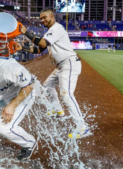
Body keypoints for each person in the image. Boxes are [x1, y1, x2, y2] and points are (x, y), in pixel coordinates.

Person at [20, 8, 89, 139]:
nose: (42, 20)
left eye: (44, 17)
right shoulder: (50, 32)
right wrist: (21, 47)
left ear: (52, 16)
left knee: (66, 94)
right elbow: (38, 49)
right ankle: (58, 109)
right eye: (41, 18)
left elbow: (41, 42)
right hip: (61, 66)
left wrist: (26, 33)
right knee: (47, 86)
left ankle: (82, 127)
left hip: (69, 64)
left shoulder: (57, 28)